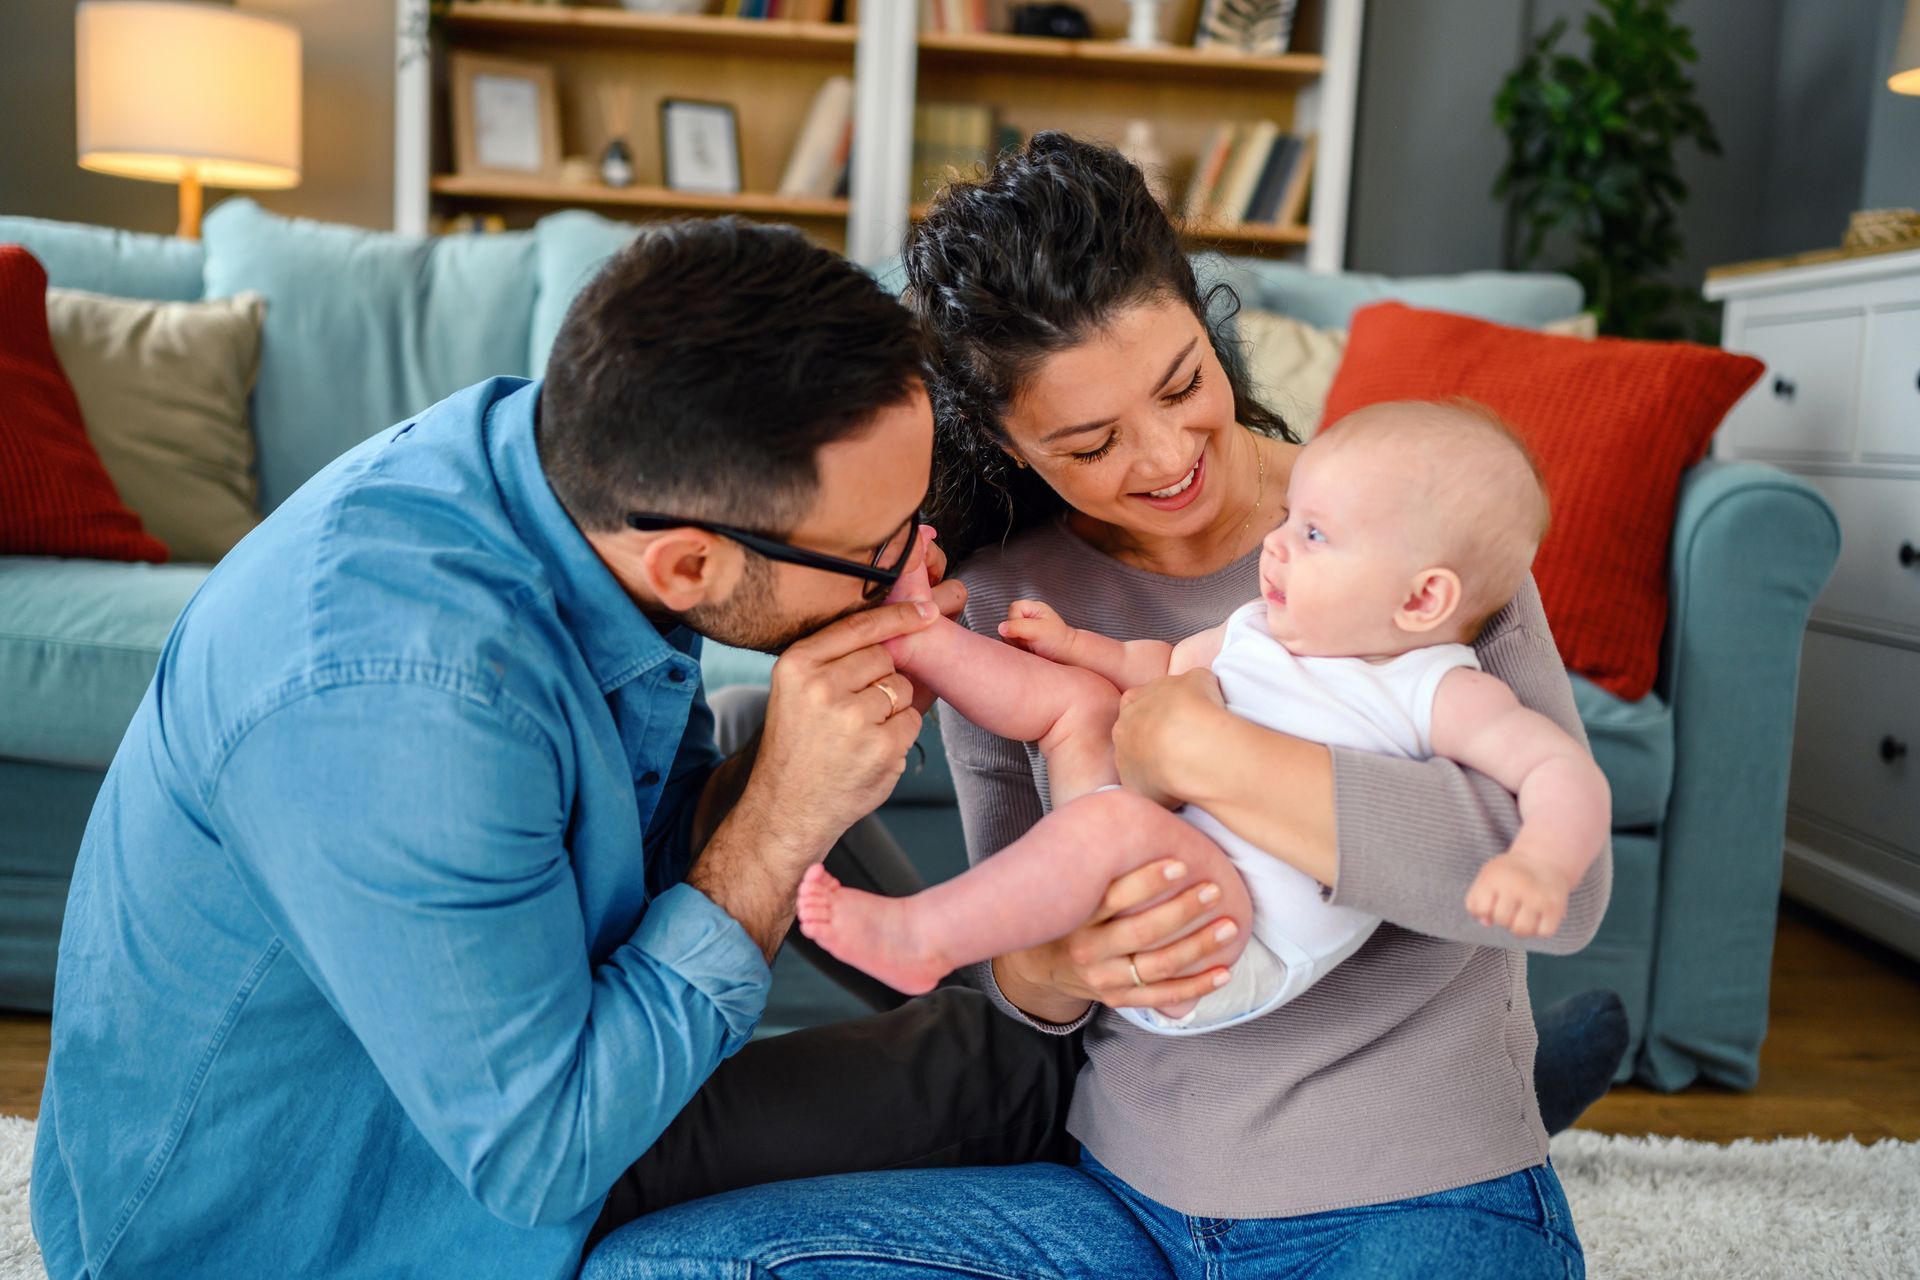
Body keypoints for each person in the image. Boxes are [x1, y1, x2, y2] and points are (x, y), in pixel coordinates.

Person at [586, 134, 1616, 1278]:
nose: (1171, 453)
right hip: (1120, 1200)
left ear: (1203, 316)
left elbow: (1564, 888)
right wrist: (1068, 959)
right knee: (661, 1265)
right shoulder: (1011, 595)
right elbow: (1024, 995)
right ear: (1006, 444)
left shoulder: (1408, 536)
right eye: (1091, 442)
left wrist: (1203, 748)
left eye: (1183, 382)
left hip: (1405, 1191)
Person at [28, 219, 1003, 1279]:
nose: (919, 568)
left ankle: (986, 986)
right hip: (318, 1217)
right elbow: (545, 1153)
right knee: (995, 1071)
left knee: (760, 737)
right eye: (876, 551)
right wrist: (776, 823)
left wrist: (786, 779)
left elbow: (653, 838)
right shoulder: (403, 698)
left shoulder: (565, 465)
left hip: (480, 1082)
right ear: (687, 563)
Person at [795, 399, 1612, 1036]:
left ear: (1423, 597)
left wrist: (1540, 862)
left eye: (1317, 534)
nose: (1279, 544)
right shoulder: (1262, 625)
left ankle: (928, 938)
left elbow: (1556, 770)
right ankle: (920, 636)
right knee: (1077, 703)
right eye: (1290, 518)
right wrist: (1076, 644)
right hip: (1153, 889)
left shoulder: (1431, 686)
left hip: (1224, 943)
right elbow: (1159, 667)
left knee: (1115, 825)